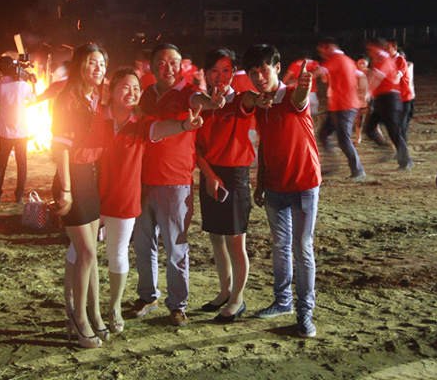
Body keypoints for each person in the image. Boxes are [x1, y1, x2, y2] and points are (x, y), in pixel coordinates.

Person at [65, 68, 203, 334]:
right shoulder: (96, 116)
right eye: (126, 87)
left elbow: (160, 128)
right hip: (91, 196)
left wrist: (184, 126)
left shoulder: (141, 121)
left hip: (124, 198)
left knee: (117, 254)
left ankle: (114, 308)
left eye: (137, 89)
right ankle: (73, 308)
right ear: (112, 90)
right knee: (78, 251)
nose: (132, 93)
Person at [129, 43, 225, 327]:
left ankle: (178, 304)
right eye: (161, 62)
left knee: (175, 247)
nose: (167, 68)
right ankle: (147, 296)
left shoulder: (188, 93)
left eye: (173, 62)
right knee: (143, 244)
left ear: (182, 66)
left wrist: (213, 102)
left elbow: (201, 101)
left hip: (174, 182)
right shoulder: (147, 94)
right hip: (141, 180)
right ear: (152, 66)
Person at [241, 44, 321, 338]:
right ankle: (283, 301)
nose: (259, 76)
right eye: (253, 72)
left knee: (303, 248)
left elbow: (300, 99)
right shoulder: (261, 105)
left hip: (303, 184)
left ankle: (305, 313)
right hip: (274, 188)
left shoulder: (291, 96)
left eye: (264, 69)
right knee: (280, 245)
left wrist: (304, 86)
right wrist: (261, 182)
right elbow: (264, 143)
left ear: (277, 67)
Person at [51, 43, 109, 348]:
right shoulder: (68, 99)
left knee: (89, 253)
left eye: (102, 64)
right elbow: (59, 146)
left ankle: (95, 314)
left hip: (90, 177)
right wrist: (66, 188)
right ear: (80, 67)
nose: (98, 69)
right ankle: (78, 319)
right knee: (85, 252)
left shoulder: (96, 97)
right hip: (72, 178)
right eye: (92, 63)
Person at [195, 48, 255, 322]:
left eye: (226, 70)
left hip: (234, 176)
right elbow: (194, 147)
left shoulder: (239, 100)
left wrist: (259, 97)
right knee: (216, 237)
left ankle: (237, 299)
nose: (220, 76)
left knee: (235, 240)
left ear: (234, 73)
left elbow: (251, 100)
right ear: (206, 74)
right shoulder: (201, 105)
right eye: (214, 71)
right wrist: (209, 175)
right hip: (210, 173)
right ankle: (224, 291)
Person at [317, 38, 365, 180]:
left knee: (343, 140)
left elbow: (318, 71)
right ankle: (332, 166)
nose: (322, 55)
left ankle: (358, 171)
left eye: (322, 51)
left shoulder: (336, 59)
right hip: (339, 106)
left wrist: (301, 80)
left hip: (344, 107)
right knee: (324, 134)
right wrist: (362, 95)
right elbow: (362, 76)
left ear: (328, 48)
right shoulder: (348, 60)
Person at [0, 56, 36, 204]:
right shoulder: (23, 86)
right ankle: (20, 195)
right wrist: (32, 83)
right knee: (21, 165)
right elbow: (33, 99)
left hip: (4, 131)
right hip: (21, 131)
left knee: (1, 164)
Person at [365, 38, 413, 171]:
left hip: (389, 99)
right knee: (369, 129)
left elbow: (378, 77)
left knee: (394, 132)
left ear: (378, 47)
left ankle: (406, 160)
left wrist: (367, 93)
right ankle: (387, 150)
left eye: (371, 48)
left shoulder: (383, 59)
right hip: (382, 99)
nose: (369, 51)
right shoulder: (378, 59)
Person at [387, 38, 415, 142]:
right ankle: (400, 146)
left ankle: (402, 148)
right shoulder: (388, 61)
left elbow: (396, 79)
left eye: (388, 47)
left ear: (394, 48)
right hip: (395, 99)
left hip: (404, 98)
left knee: (401, 128)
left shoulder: (400, 60)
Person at [354, 55, 371, 144]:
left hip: (369, 98)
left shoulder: (370, 73)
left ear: (367, 63)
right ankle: (358, 137)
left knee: (372, 118)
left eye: (363, 63)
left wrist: (369, 93)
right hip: (358, 98)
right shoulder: (354, 72)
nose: (361, 64)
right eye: (360, 62)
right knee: (359, 118)